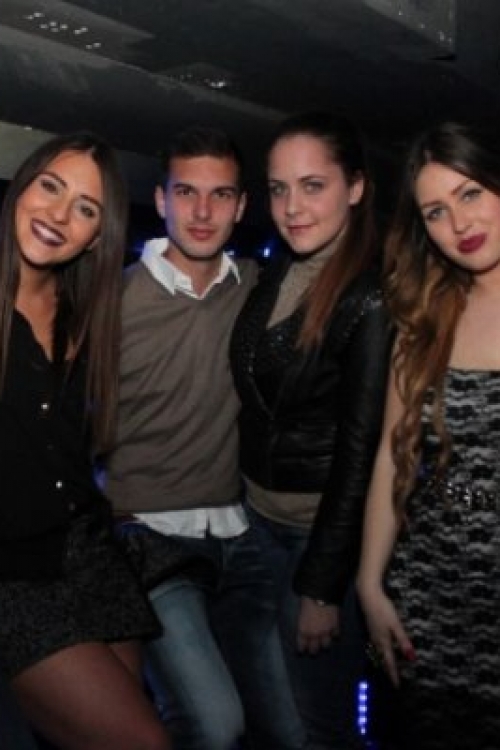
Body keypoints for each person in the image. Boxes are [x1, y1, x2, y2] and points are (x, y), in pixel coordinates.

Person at [104, 125, 306, 750]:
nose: (201, 211)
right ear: (160, 199)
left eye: (220, 195)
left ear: (242, 206)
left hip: (242, 538)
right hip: (151, 540)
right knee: (216, 725)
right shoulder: (111, 301)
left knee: (293, 728)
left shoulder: (256, 290)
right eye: (186, 192)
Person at [0, 132, 172, 750]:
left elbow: (65, 447)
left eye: (85, 207)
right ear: (22, 187)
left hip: (91, 554)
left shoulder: (82, 316)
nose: (58, 214)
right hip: (13, 573)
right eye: (50, 186)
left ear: (98, 236)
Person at [230, 111, 393, 749]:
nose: (292, 207)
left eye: (312, 185)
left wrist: (323, 587)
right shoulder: (279, 272)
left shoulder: (370, 296)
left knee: (322, 726)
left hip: (315, 541)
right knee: (273, 716)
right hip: (257, 523)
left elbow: (362, 451)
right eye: (278, 188)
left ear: (356, 187)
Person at [357, 121, 500, 750]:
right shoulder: (425, 318)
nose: (458, 223)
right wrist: (369, 583)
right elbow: (392, 459)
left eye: (470, 194)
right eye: (435, 212)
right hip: (431, 598)